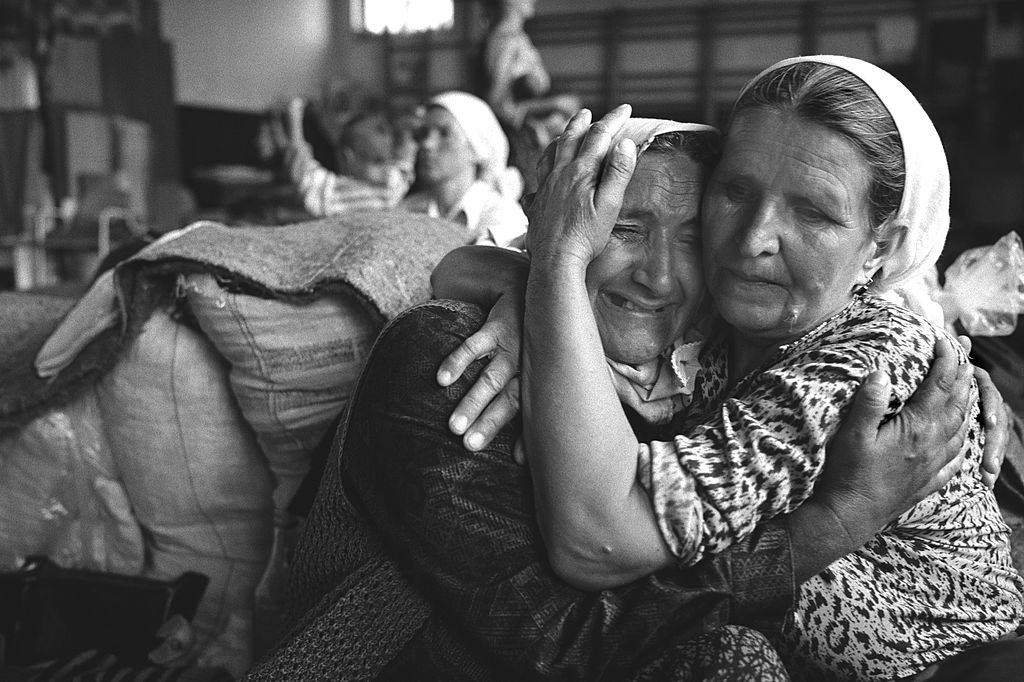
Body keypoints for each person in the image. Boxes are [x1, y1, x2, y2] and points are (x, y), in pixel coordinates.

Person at [246, 119, 990, 680]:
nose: (658, 278)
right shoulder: (448, 358)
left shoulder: (698, 377)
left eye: (695, 241)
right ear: (562, 226)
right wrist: (835, 524)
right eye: (623, 230)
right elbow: (557, 640)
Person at [508, 56, 1024, 679]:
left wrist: (556, 265)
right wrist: (518, 292)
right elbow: (476, 261)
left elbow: (597, 539)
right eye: (736, 191)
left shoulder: (868, 370)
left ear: (879, 249)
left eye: (813, 213)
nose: (752, 239)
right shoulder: (728, 319)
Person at [398, 91, 528, 249]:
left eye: (444, 134)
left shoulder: (504, 217)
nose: (427, 144)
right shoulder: (407, 210)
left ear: (477, 149)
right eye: (424, 133)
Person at [276, 97, 414, 217]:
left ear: (347, 158)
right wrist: (410, 127)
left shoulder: (337, 194)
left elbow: (301, 171)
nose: (385, 173)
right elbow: (406, 157)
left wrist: (294, 119)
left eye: (380, 163)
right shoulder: (392, 187)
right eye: (378, 163)